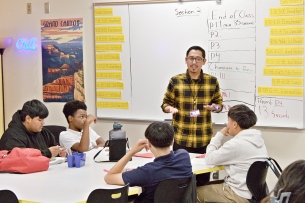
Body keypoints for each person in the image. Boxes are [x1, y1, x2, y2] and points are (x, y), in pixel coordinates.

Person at [161, 45, 223, 186]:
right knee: (181, 181)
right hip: (182, 138)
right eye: (191, 58)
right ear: (186, 60)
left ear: (204, 61)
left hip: (204, 139)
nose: (194, 62)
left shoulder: (212, 81)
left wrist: (214, 107)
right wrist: (170, 108)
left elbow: (219, 105)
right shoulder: (175, 81)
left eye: (198, 59)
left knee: (202, 180)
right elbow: (165, 104)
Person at [104, 121, 192, 203]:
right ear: (172, 142)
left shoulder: (147, 172)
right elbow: (165, 170)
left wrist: (132, 152)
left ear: (149, 144)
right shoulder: (184, 156)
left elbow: (109, 177)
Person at [197, 104, 268, 203]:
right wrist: (216, 154)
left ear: (234, 124)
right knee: (210, 184)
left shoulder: (235, 144)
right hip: (254, 194)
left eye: (228, 120)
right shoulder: (258, 140)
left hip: (238, 195)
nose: (227, 124)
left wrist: (219, 135)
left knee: (195, 192)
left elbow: (209, 159)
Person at [0, 99, 66, 158]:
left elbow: (54, 148)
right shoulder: (12, 137)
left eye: (43, 119)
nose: (43, 123)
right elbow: (20, 159)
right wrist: (47, 153)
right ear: (28, 119)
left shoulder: (44, 132)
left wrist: (59, 152)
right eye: (40, 120)